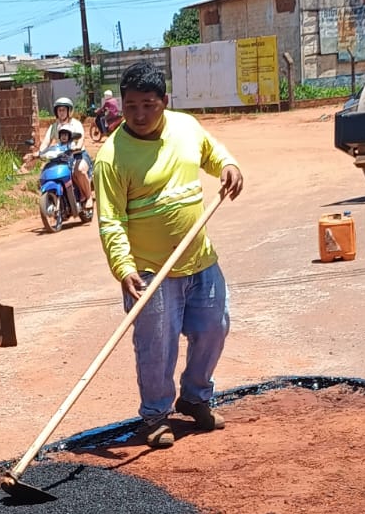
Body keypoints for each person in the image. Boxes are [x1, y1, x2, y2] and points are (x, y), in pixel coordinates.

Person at [93, 60, 242, 447]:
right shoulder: (111, 157)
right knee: (156, 347)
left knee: (214, 328)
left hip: (200, 259)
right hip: (149, 272)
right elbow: (110, 221)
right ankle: (155, 416)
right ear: (120, 106)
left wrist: (228, 164)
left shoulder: (186, 127)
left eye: (148, 104)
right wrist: (123, 266)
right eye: (131, 106)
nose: (140, 115)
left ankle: (194, 398)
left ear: (164, 101)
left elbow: (212, 153)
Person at [33, 96, 93, 213]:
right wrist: (39, 152)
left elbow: (81, 138)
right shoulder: (54, 127)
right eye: (59, 110)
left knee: (79, 170)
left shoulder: (75, 124)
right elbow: (46, 142)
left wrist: (77, 147)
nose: (61, 113)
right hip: (62, 156)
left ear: (69, 111)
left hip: (78, 155)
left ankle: (89, 197)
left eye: (63, 110)